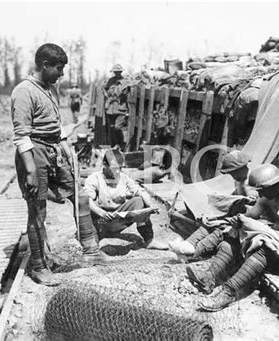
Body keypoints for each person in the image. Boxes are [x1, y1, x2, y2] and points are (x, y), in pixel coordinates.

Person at [11, 43, 101, 286]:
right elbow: (21, 135)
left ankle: (91, 250)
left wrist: (65, 144)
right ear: (45, 65)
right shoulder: (23, 92)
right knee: (38, 211)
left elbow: (52, 126)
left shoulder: (50, 89)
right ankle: (39, 266)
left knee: (79, 196)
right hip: (34, 154)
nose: (62, 73)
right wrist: (30, 170)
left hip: (54, 150)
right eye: (59, 68)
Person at [199, 164, 279, 312]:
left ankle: (228, 292)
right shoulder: (268, 196)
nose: (260, 195)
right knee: (237, 233)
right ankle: (210, 276)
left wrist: (262, 230)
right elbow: (249, 217)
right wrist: (238, 222)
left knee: (265, 247)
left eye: (262, 190)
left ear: (274, 185)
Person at [169, 151, 257, 258]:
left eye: (233, 172)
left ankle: (193, 250)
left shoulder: (252, 183)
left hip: (244, 221)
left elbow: (254, 210)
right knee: (211, 220)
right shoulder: (239, 179)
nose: (232, 176)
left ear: (242, 168)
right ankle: (189, 244)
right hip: (235, 215)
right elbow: (234, 198)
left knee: (219, 227)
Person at [84, 148, 168, 250]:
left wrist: (151, 206)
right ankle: (94, 239)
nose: (117, 171)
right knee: (86, 203)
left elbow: (140, 191)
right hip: (100, 221)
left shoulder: (124, 178)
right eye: (114, 168)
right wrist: (101, 213)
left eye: (120, 168)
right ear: (105, 165)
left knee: (139, 201)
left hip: (118, 219)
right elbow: (86, 199)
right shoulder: (94, 178)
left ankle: (149, 240)